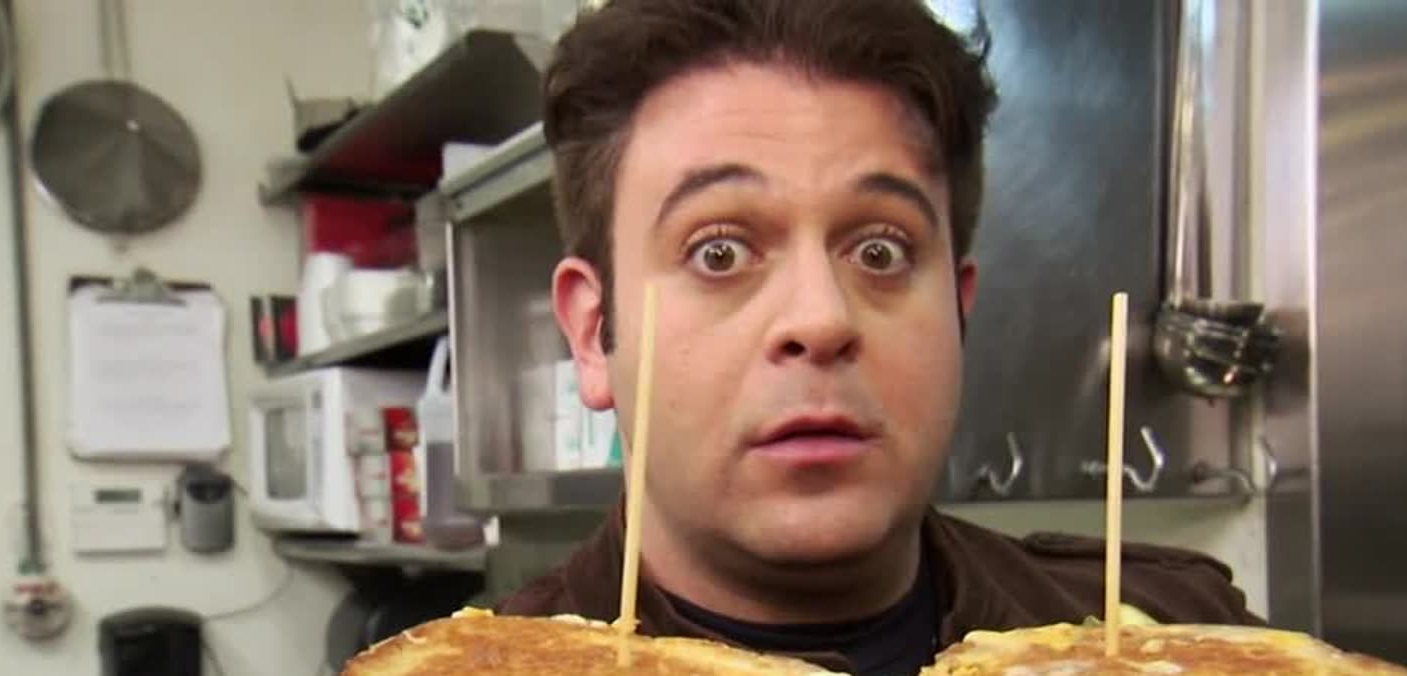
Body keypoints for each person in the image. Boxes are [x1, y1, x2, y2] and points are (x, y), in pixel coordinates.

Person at [497, 0, 1261, 673]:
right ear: (594, 334)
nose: (821, 320)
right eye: (719, 252)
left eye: (880, 252)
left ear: (958, 310)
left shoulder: (1188, 634)